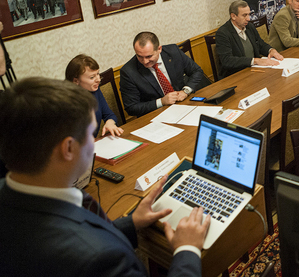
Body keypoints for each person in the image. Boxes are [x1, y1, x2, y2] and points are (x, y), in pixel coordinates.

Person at [0, 77, 209, 277]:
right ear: (68, 148)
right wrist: (187, 250)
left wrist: (131, 222)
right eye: (91, 133)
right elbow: (85, 245)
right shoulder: (101, 259)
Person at [120, 32, 205, 117]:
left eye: (149, 56)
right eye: (139, 56)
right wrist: (161, 101)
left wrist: (185, 91)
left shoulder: (173, 52)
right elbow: (131, 107)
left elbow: (196, 71)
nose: (145, 61)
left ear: (159, 49)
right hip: (155, 115)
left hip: (183, 105)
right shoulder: (128, 71)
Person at [215, 0, 284, 78]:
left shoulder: (249, 27)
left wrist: (271, 50)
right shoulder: (223, 33)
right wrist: (255, 61)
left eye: (249, 14)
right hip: (236, 76)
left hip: (254, 71)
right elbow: (227, 60)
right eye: (244, 15)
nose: (248, 18)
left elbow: (260, 44)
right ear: (233, 16)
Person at [65, 54, 123, 138]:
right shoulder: (67, 102)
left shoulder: (95, 90)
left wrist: (110, 122)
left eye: (98, 74)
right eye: (92, 77)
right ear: (76, 81)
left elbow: (109, 114)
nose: (98, 79)